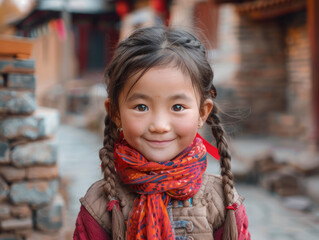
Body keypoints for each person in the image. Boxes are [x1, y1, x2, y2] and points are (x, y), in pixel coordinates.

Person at [73, 26, 250, 240]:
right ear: (115, 113)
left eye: (177, 107)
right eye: (141, 107)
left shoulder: (220, 202)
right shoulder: (100, 205)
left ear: (203, 112)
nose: (159, 125)